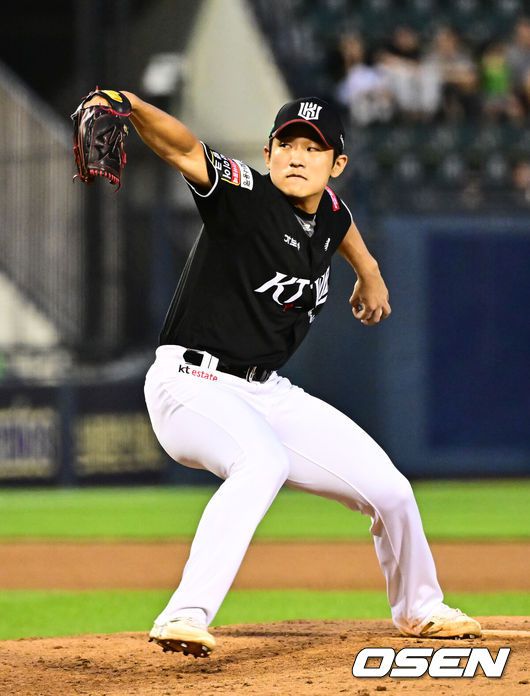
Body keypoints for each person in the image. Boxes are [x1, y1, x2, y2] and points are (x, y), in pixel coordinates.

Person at [82, 90, 481, 658]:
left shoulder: (329, 213)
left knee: (391, 491)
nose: (298, 156)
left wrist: (368, 270)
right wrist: (128, 103)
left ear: (336, 164)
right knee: (262, 462)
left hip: (264, 392)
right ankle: (184, 614)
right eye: (287, 144)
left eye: (313, 149)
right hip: (190, 383)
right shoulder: (244, 195)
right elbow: (184, 148)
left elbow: (339, 220)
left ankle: (420, 608)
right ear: (268, 153)